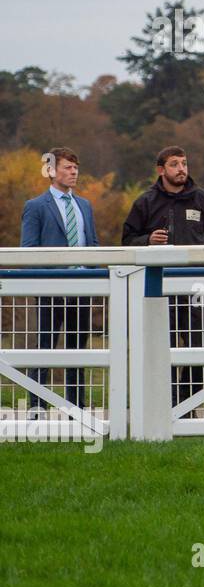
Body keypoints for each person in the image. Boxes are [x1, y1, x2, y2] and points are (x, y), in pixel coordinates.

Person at [122, 146, 204, 415]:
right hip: (158, 290)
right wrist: (148, 240)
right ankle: (169, 409)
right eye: (175, 164)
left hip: (196, 288)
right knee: (164, 351)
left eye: (184, 163)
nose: (182, 169)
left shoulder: (201, 199)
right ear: (161, 170)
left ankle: (184, 403)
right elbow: (127, 242)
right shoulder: (145, 202)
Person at [20, 147, 99, 416]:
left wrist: (94, 280)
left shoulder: (84, 205)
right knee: (45, 348)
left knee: (78, 349)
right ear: (51, 171)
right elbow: (28, 250)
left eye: (76, 167)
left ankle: (76, 406)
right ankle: (36, 406)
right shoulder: (35, 206)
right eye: (67, 167)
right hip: (50, 288)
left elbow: (94, 245)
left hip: (82, 287)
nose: (73, 172)